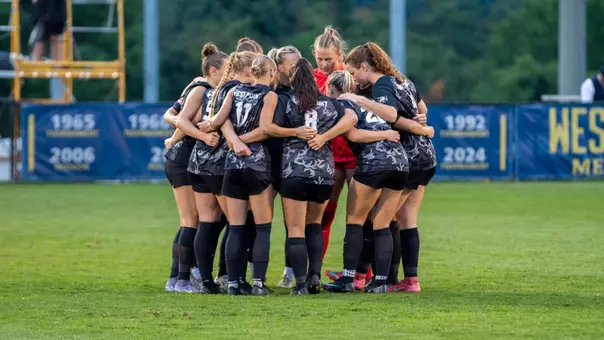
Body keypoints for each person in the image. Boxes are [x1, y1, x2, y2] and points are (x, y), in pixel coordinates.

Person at [323, 69, 434, 294]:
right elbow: (402, 121)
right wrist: (425, 130)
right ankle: (382, 281)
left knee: (355, 220)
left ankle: (348, 279)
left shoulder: (341, 105)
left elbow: (354, 134)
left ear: (331, 90)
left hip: (374, 161)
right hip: (401, 162)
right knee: (382, 222)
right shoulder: (371, 103)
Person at [267, 58, 357, 294]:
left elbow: (270, 128)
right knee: (314, 225)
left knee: (295, 229)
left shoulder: (286, 101)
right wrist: (326, 136)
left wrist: (294, 132)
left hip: (293, 171)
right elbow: (351, 118)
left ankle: (300, 284)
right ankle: (314, 276)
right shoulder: (328, 103)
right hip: (323, 173)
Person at [200, 55, 277, 295]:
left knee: (235, 227)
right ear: (272, 73)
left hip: (232, 164)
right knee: (262, 228)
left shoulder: (233, 92)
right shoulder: (269, 95)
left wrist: (209, 127)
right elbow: (264, 131)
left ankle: (232, 284)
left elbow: (216, 122)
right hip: (256, 163)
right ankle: (258, 285)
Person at [164, 44, 228, 293]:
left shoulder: (207, 89)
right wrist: (202, 137)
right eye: (226, 72)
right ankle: (180, 280)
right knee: (190, 222)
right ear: (213, 70)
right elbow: (179, 119)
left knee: (194, 222)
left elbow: (177, 120)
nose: (229, 76)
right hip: (182, 159)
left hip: (184, 157)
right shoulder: (201, 88)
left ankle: (178, 278)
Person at [312, 26, 357, 265]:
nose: (323, 63)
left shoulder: (352, 77)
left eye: (328, 59)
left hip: (353, 152)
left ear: (340, 56)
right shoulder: (311, 77)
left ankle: (360, 274)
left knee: (358, 216)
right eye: (319, 58)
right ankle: (313, 270)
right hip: (326, 154)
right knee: (324, 215)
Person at [266, 46, 307, 289]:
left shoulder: (305, 92)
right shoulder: (269, 90)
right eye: (293, 64)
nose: (298, 68)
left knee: (294, 224)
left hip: (296, 166)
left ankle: (290, 272)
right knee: (259, 220)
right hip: (270, 161)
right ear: (279, 67)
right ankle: (247, 274)